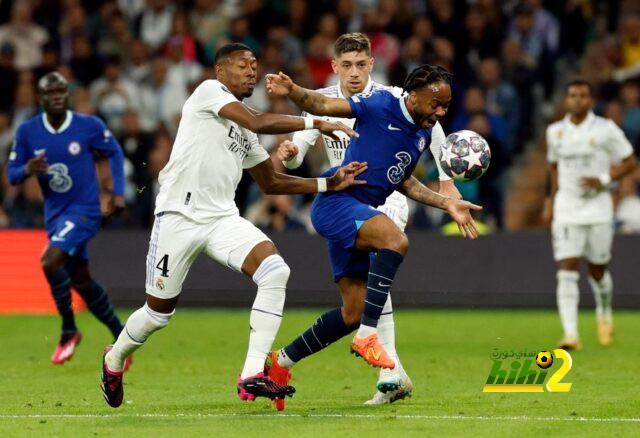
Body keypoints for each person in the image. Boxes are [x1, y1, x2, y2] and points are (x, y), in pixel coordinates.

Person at [99, 43, 367, 408]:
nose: (251, 71)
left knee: (274, 270)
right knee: (158, 314)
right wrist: (316, 121)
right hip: (178, 217)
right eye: (243, 65)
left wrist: (327, 184)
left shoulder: (245, 132)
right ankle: (114, 358)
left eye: (255, 65)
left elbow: (271, 182)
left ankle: (252, 373)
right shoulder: (209, 93)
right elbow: (257, 120)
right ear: (220, 70)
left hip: (222, 219)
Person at [264, 64, 481, 404]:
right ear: (412, 96)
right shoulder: (380, 104)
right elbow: (321, 106)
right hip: (337, 203)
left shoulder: (422, 134)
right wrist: (292, 90)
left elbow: (403, 180)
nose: (439, 112)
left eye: (446, 106)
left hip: (358, 213)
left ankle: (280, 362)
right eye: (434, 104)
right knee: (395, 240)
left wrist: (446, 204)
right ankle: (368, 337)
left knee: (352, 311)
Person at [7, 72, 127, 365]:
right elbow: (12, 175)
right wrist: (27, 169)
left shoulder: (88, 126)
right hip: (55, 216)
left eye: (62, 91)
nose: (58, 96)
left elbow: (115, 152)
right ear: (40, 98)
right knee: (81, 280)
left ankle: (69, 330)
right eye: (51, 92)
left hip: (85, 211)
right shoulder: (27, 132)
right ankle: (122, 337)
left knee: (50, 261)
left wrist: (118, 193)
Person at [543, 79, 637, 350]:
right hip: (567, 208)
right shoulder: (555, 132)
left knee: (598, 270)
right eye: (572, 95)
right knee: (567, 268)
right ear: (566, 100)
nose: (577, 100)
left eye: (583, 96)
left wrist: (604, 179)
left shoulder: (606, 130)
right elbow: (552, 167)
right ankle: (571, 334)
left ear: (591, 101)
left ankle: (604, 309)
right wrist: (550, 200)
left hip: (598, 209)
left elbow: (630, 161)